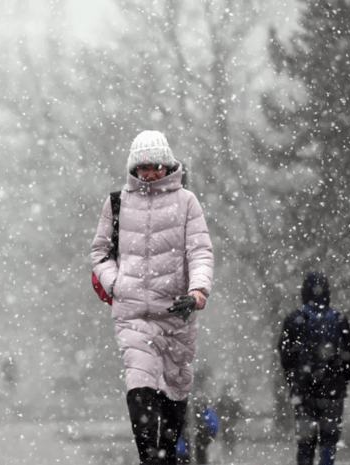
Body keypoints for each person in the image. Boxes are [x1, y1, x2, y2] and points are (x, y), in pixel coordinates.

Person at [91, 130, 214, 465]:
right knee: (140, 380)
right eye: (143, 166)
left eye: (157, 165)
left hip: (176, 312)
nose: (150, 172)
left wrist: (198, 290)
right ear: (134, 166)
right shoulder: (117, 203)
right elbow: (100, 252)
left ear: (168, 164)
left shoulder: (187, 202)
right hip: (134, 314)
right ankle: (150, 457)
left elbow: (200, 251)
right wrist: (117, 284)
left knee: (175, 389)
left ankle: (168, 454)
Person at [278, 271, 350, 465]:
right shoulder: (338, 319)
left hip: (304, 393)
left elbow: (285, 357)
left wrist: (295, 381)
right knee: (329, 442)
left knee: (305, 445)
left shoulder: (294, 319)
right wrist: (340, 380)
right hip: (332, 393)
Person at [214, 383, 244, 459]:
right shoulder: (222, 401)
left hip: (231, 422)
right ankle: (227, 453)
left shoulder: (232, 401)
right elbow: (218, 410)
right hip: (225, 423)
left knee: (231, 438)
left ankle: (230, 453)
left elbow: (238, 410)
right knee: (226, 438)